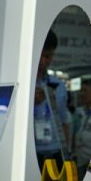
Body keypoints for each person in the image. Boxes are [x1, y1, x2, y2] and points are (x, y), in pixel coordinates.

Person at [33, 30, 71, 173]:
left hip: (56, 153)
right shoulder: (22, 84)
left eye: (48, 56)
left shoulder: (58, 85)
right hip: (31, 152)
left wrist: (67, 153)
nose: (43, 61)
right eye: (40, 55)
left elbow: (64, 120)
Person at [73, 78, 91, 181]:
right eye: (81, 91)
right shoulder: (83, 110)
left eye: (85, 91)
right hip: (81, 158)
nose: (82, 94)